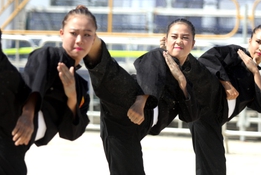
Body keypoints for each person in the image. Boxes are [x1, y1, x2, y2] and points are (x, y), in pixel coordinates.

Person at [84, 18, 215, 175]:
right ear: (166, 41)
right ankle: (89, 37)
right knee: (110, 75)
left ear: (193, 44)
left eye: (185, 37)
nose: (179, 41)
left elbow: (190, 115)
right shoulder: (159, 56)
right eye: (174, 36)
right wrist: (140, 101)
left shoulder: (187, 81)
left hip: (128, 130)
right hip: (129, 101)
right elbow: (151, 65)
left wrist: (182, 81)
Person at [0, 4, 94, 175]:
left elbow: (71, 133)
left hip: (15, 138)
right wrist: (27, 116)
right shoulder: (50, 55)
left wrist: (72, 95)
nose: (79, 40)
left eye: (87, 35)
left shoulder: (81, 87)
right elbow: (33, 84)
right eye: (73, 33)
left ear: (94, 39)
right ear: (62, 33)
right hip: (15, 112)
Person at [188, 22, 261, 175]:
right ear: (250, 41)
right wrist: (226, 83)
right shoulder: (234, 53)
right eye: (258, 42)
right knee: (212, 169)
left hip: (213, 121)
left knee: (214, 168)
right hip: (202, 112)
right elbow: (207, 61)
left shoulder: (256, 78)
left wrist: (255, 72)